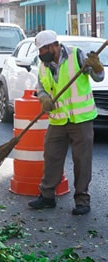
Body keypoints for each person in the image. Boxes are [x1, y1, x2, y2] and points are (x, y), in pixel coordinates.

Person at [28, 29, 104, 216]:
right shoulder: (43, 65)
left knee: (82, 161)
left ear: (55, 45)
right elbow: (42, 88)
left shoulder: (76, 55)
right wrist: (44, 99)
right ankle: (47, 197)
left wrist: (97, 67)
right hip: (58, 119)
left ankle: (82, 201)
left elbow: (98, 77)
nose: (41, 53)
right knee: (51, 156)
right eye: (40, 50)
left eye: (44, 49)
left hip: (81, 119)